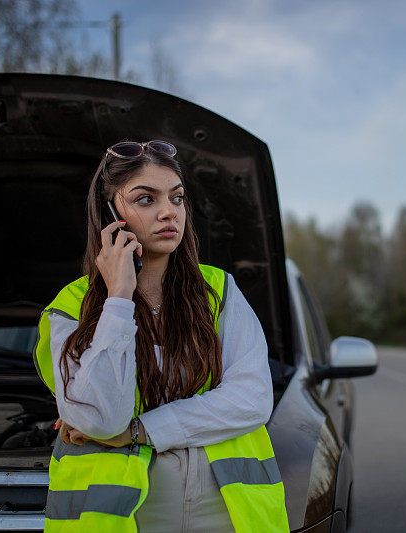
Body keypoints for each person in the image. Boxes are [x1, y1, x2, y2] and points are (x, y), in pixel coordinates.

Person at [32, 140, 289, 532]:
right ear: (109, 215)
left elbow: (252, 397)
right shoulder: (72, 304)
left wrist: (141, 430)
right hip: (129, 516)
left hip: (225, 511)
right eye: (146, 199)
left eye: (177, 197)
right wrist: (117, 297)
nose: (169, 211)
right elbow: (101, 418)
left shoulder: (219, 289)